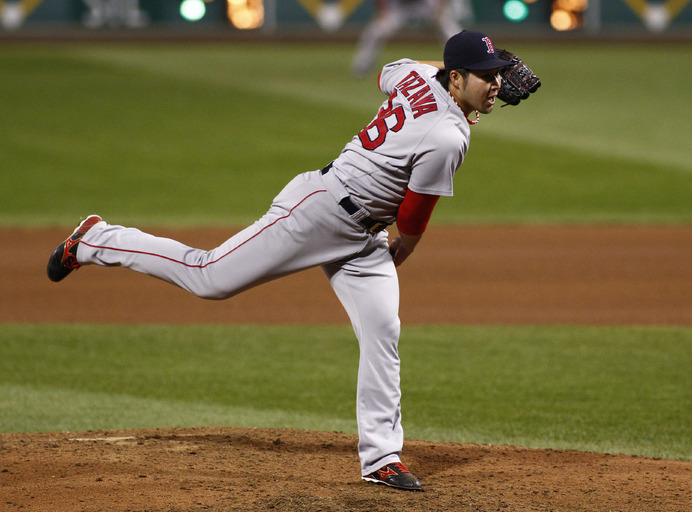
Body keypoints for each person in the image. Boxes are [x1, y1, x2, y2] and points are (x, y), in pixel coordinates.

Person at [47, 30, 513, 491]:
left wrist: (458, 74)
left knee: (382, 330)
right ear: (455, 77)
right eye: (486, 75)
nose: (497, 84)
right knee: (208, 276)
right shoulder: (448, 137)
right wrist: (403, 250)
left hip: (361, 235)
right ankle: (97, 240)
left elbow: (385, 74)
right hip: (318, 211)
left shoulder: (417, 73)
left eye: (498, 74)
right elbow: (413, 214)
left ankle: (381, 457)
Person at [352, 0, 474, 77]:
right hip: (399, 7)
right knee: (376, 32)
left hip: (427, 5)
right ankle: (362, 66)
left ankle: (465, 65)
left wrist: (440, 13)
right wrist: (382, 12)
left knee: (451, 32)